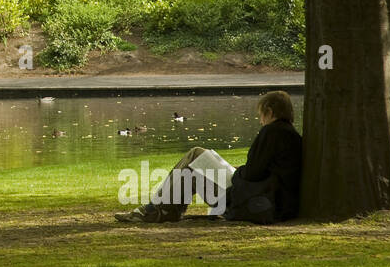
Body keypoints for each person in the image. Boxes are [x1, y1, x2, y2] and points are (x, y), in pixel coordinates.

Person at [114, 91, 302, 224]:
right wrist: (238, 169)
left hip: (253, 199)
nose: (260, 120)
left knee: (196, 155)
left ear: (269, 112)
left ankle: (157, 210)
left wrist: (238, 171)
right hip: (269, 198)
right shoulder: (289, 134)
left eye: (261, 115)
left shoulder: (272, 132)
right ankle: (161, 209)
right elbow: (263, 168)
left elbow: (253, 173)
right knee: (197, 162)